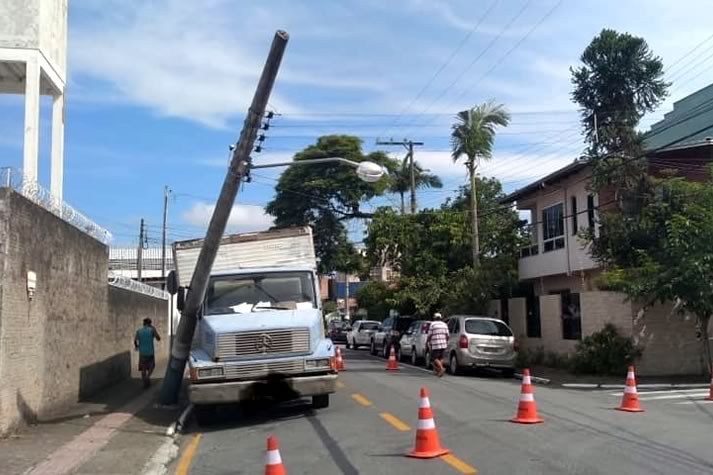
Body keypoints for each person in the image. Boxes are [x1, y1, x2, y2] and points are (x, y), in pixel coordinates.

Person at [134, 318, 161, 388]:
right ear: (150, 324)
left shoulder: (139, 331)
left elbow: (135, 340)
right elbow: (158, 338)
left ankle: (145, 382)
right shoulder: (152, 330)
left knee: (143, 368)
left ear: (144, 324)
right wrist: (154, 330)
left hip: (142, 352)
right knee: (152, 366)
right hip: (150, 352)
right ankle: (147, 377)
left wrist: (137, 346)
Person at [427, 312, 449, 377]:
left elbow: (430, 334)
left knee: (434, 358)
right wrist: (446, 341)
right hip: (443, 343)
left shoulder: (433, 324)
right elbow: (447, 335)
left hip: (436, 343)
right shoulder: (445, 324)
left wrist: (427, 341)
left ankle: (441, 369)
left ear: (434, 318)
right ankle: (439, 370)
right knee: (441, 357)